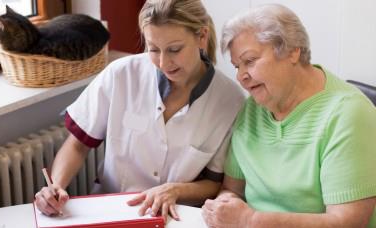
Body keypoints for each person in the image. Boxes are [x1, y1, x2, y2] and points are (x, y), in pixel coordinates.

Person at [34, 0, 244, 221]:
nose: (164, 62)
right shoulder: (121, 74)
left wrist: (175, 190)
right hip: (111, 208)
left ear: (202, 36)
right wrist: (56, 185)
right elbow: (78, 145)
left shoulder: (229, 101)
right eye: (153, 49)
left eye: (175, 49)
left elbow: (214, 182)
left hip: (177, 216)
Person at [202, 4, 376, 228]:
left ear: (293, 51)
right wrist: (225, 208)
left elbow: (348, 222)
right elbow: (231, 189)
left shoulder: (348, 114)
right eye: (237, 66)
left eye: (250, 61)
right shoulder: (253, 108)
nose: (241, 76)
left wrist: (250, 220)